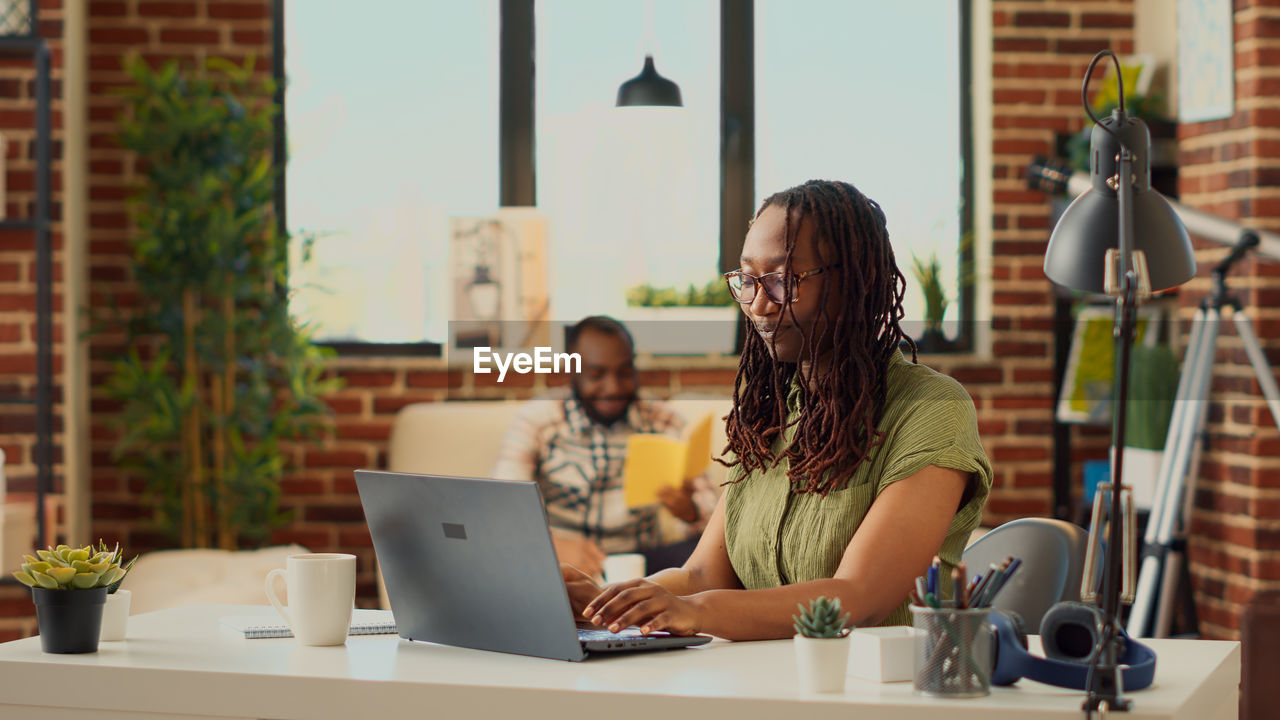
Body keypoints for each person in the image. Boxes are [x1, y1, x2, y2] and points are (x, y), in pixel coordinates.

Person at [563, 179, 993, 641]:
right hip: (764, 684)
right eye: (747, 280)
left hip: (878, 693)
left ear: (853, 283)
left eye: (783, 280)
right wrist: (611, 603)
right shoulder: (768, 413)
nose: (759, 304)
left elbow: (860, 598)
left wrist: (694, 611)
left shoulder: (931, 409)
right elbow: (701, 578)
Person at [490, 316, 716, 579]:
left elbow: (714, 524)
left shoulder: (664, 421)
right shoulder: (537, 422)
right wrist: (554, 546)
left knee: (707, 558)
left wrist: (689, 513)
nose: (613, 388)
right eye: (597, 375)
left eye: (623, 373)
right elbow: (502, 510)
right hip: (561, 563)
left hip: (642, 564)